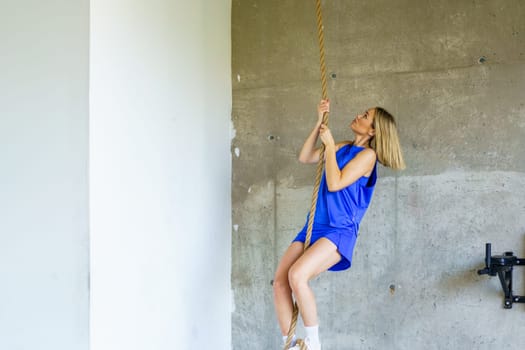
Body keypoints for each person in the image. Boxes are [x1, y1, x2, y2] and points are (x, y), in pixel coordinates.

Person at [272, 99, 405, 350]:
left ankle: (313, 343)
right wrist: (318, 123)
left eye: (365, 116)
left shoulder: (368, 156)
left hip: (338, 230)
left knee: (297, 276)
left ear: (373, 131)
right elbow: (305, 157)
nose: (358, 115)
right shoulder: (342, 146)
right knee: (280, 283)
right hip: (315, 224)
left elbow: (335, 183)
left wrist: (331, 147)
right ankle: (288, 344)